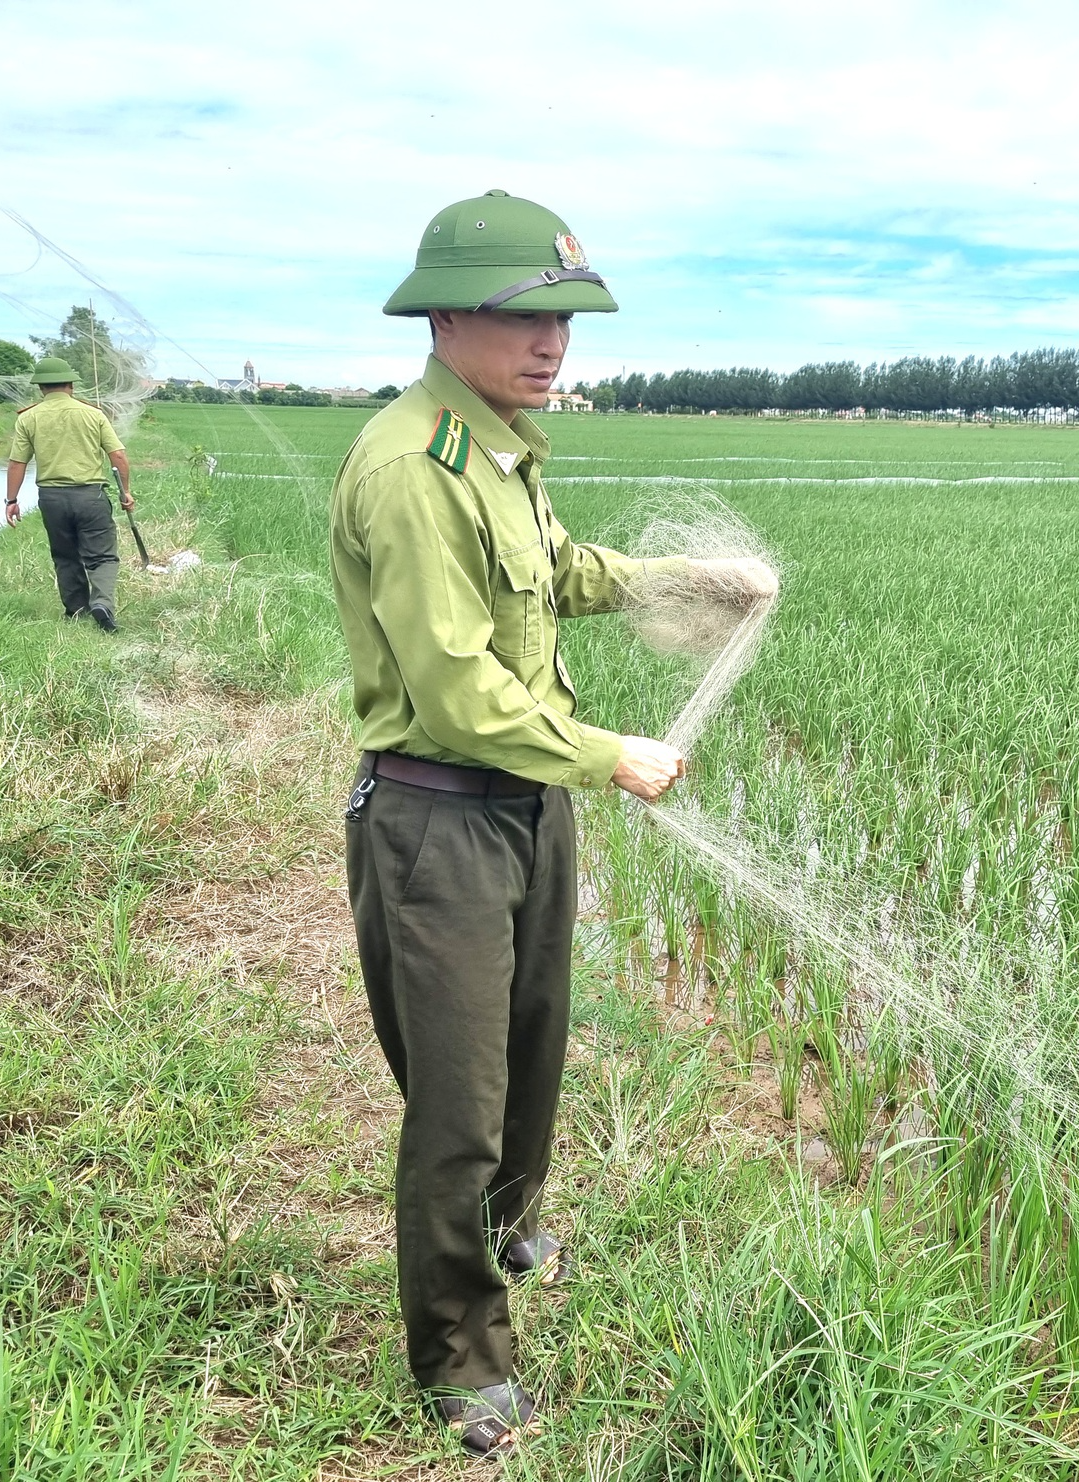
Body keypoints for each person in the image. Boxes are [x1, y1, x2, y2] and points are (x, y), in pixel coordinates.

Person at [329, 190, 774, 1457]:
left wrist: (686, 581)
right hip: (440, 819)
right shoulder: (418, 468)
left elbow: (562, 576)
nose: (553, 347)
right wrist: (605, 755)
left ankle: (513, 1220)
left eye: (567, 320)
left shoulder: (505, 450)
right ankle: (462, 1353)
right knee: (455, 1103)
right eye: (529, 320)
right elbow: (459, 691)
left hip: (524, 807)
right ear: (450, 314)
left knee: (532, 1041)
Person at [4, 357, 133, 631]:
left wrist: (12, 500)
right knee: (102, 556)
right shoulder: (93, 414)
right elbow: (118, 456)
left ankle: (76, 610)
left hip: (51, 498)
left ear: (41, 388)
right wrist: (125, 493)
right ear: (71, 384)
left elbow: (17, 462)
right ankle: (103, 604)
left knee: (65, 555)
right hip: (91, 496)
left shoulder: (28, 417)